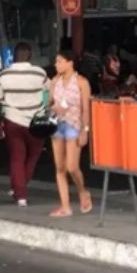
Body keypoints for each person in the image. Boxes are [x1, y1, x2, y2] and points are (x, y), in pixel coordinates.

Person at [0, 43, 49, 208]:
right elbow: (49, 93)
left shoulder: (3, 75)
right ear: (30, 55)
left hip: (13, 121)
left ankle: (21, 196)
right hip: (36, 121)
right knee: (32, 158)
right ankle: (20, 187)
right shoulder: (40, 73)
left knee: (17, 158)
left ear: (14, 56)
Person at [49, 49, 93, 217]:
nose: (56, 64)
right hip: (57, 124)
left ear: (70, 62)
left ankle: (82, 191)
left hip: (74, 124)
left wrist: (85, 130)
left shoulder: (82, 82)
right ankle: (65, 206)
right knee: (60, 167)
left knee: (72, 166)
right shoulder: (55, 81)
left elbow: (86, 109)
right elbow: (49, 102)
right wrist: (51, 96)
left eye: (60, 61)